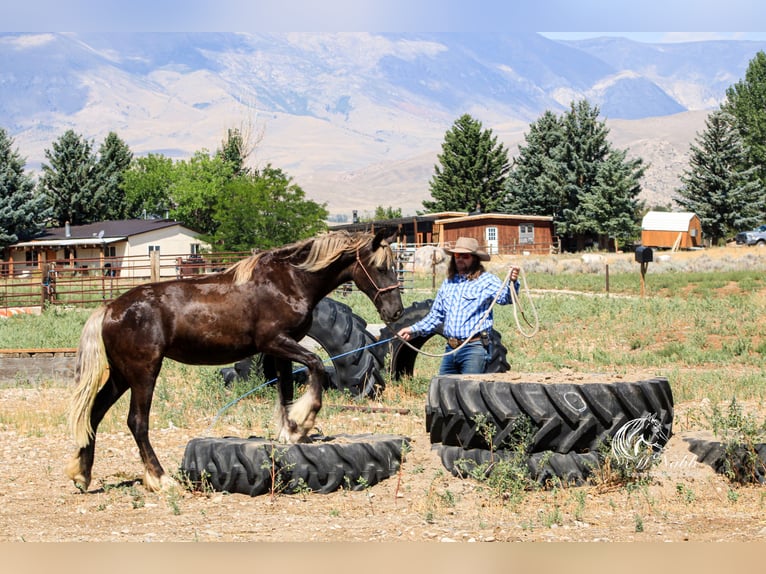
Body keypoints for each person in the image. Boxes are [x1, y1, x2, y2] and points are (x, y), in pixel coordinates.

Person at [397, 236, 520, 375]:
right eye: (457, 255)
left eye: (465, 256)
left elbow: (507, 298)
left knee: (468, 392)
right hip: (451, 348)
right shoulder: (449, 283)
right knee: (444, 390)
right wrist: (412, 330)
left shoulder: (486, 280)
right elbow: (436, 315)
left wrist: (512, 282)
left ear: (474, 258)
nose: (460, 259)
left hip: (474, 348)